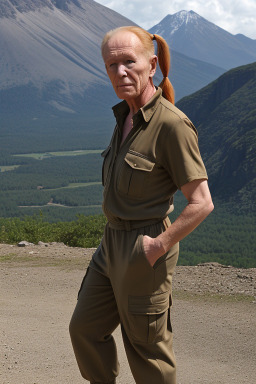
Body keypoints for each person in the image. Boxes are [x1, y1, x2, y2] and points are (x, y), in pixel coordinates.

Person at [69, 26, 214, 384]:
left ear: (151, 66)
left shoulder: (171, 125)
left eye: (128, 62)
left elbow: (202, 202)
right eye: (111, 65)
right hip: (110, 246)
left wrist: (158, 245)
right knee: (84, 329)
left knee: (146, 348)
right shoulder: (124, 118)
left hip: (144, 246)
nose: (120, 73)